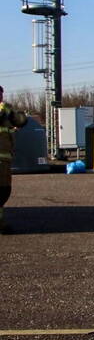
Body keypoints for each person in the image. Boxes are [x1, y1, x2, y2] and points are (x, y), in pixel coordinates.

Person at [0, 86, 28, 234]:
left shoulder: (6, 113)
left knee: (3, 192)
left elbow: (21, 121)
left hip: (4, 160)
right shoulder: (3, 110)